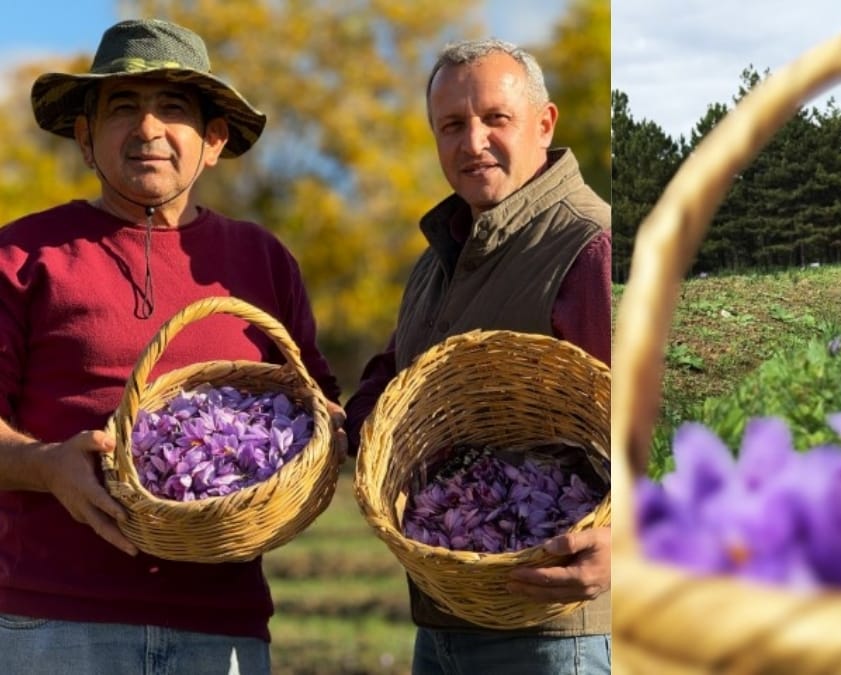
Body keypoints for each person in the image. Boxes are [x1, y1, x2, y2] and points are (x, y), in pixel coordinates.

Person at [0, 19, 345, 674]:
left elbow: (316, 403)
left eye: (174, 109)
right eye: (123, 107)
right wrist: (45, 463)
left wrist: (325, 435)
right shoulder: (21, 255)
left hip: (223, 625)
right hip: (56, 621)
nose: (149, 127)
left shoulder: (261, 260)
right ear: (85, 137)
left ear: (213, 141)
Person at [344, 39, 612, 674]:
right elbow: (395, 380)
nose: (473, 142)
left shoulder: (590, 245)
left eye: (496, 118)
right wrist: (332, 424)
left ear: (543, 124)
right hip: (445, 616)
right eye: (452, 125)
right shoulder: (440, 257)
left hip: (552, 629)